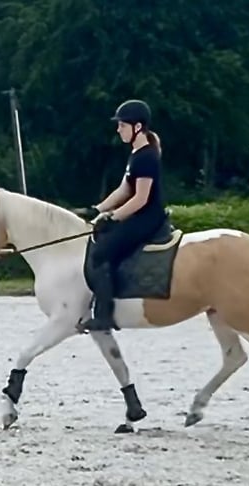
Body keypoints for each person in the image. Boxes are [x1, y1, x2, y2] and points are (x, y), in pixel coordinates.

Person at [75, 98, 169, 332]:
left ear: (137, 127)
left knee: (102, 252)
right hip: (139, 213)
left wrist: (113, 217)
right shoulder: (136, 154)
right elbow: (124, 190)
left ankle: (104, 315)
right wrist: (98, 209)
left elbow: (141, 198)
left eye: (122, 126)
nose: (118, 130)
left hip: (148, 217)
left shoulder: (147, 156)